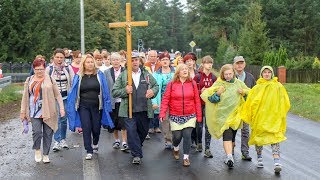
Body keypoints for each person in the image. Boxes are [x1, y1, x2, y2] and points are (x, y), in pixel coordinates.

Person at [241, 66, 290, 173]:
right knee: (259, 138)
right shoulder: (257, 88)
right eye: (265, 72)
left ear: (272, 74)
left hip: (273, 118)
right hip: (259, 118)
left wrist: (280, 113)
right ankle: (259, 158)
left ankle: (277, 161)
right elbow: (250, 103)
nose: (267, 74)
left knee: (274, 138)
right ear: (261, 74)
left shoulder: (278, 87)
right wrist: (250, 115)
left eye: (269, 72)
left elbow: (284, 101)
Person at [112, 52, 159, 165]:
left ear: (140, 61)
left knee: (143, 132)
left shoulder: (146, 74)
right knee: (132, 132)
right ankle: (136, 154)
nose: (135, 62)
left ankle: (136, 145)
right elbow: (114, 92)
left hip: (144, 110)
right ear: (128, 62)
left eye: (136, 60)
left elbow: (156, 86)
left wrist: (152, 91)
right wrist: (125, 91)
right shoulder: (123, 75)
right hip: (129, 111)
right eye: (132, 60)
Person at [200, 64, 249, 168]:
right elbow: (211, 99)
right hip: (223, 116)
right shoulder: (219, 83)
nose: (228, 76)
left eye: (230, 74)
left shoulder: (239, 83)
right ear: (222, 74)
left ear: (233, 73)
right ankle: (229, 156)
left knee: (232, 137)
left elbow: (250, 96)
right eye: (226, 74)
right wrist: (218, 93)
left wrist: (243, 92)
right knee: (227, 134)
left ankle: (230, 152)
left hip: (236, 116)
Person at [67, 54, 114, 160]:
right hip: (83, 106)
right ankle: (89, 150)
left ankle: (95, 142)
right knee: (86, 127)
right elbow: (74, 91)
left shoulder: (99, 74)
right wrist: (71, 106)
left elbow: (105, 90)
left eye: (91, 62)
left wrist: (107, 104)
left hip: (97, 106)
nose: (90, 64)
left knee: (96, 128)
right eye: (87, 62)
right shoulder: (79, 76)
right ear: (83, 64)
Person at [20, 58, 65, 163]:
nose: (39, 71)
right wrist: (23, 112)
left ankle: (45, 154)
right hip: (34, 111)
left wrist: (62, 108)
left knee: (48, 133)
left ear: (45, 68)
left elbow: (58, 94)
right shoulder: (29, 80)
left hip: (49, 111)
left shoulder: (50, 78)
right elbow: (25, 97)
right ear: (33, 69)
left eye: (41, 69)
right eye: (37, 69)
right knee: (36, 132)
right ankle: (37, 149)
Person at [159, 64, 202, 167]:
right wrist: (162, 113)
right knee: (177, 136)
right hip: (175, 115)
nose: (185, 70)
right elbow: (165, 99)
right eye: (182, 69)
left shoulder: (192, 83)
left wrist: (199, 115)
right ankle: (176, 147)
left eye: (186, 69)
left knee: (187, 135)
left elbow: (197, 100)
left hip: (190, 115)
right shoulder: (172, 84)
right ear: (178, 72)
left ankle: (186, 157)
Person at [46, 48, 74, 152]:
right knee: (56, 118)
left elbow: (72, 81)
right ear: (53, 57)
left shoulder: (67, 68)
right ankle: (57, 141)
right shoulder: (49, 69)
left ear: (64, 58)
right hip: (53, 98)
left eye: (61, 57)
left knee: (63, 118)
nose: (59, 59)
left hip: (66, 97)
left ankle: (63, 139)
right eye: (57, 57)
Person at [233, 56, 256, 161]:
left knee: (245, 131)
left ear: (244, 64)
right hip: (233, 109)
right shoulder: (231, 76)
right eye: (237, 63)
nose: (239, 65)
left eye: (241, 63)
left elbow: (255, 93)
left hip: (246, 108)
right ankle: (230, 151)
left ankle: (245, 152)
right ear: (234, 65)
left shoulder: (250, 77)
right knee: (232, 130)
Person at [193, 55, 217, 157]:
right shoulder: (197, 76)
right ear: (202, 64)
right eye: (207, 63)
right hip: (199, 104)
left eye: (211, 63)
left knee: (208, 127)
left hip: (210, 105)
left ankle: (207, 148)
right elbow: (192, 90)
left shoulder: (214, 77)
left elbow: (217, 90)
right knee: (199, 126)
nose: (209, 65)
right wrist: (200, 91)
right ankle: (199, 143)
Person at [104, 52, 128, 151]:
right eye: (113, 60)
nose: (115, 62)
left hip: (123, 100)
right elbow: (105, 87)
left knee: (123, 122)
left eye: (117, 59)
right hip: (112, 101)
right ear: (110, 61)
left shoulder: (125, 71)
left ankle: (124, 141)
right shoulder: (106, 72)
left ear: (120, 61)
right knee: (114, 122)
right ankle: (117, 140)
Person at [151, 52, 175, 148]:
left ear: (169, 61)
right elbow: (153, 88)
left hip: (175, 101)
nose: (165, 61)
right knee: (165, 121)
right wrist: (154, 102)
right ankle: (168, 140)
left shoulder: (176, 72)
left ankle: (175, 139)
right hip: (163, 101)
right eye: (163, 60)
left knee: (174, 121)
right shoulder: (156, 74)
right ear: (160, 62)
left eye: (167, 59)